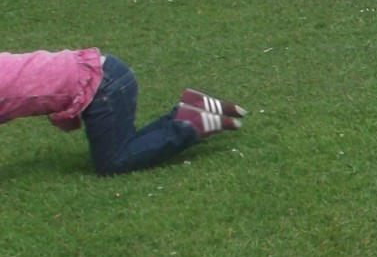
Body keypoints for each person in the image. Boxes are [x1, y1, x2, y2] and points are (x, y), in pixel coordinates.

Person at [2, 49, 242, 176]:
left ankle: (192, 124)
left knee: (113, 162)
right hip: (106, 74)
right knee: (124, 145)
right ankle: (193, 110)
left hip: (104, 86)